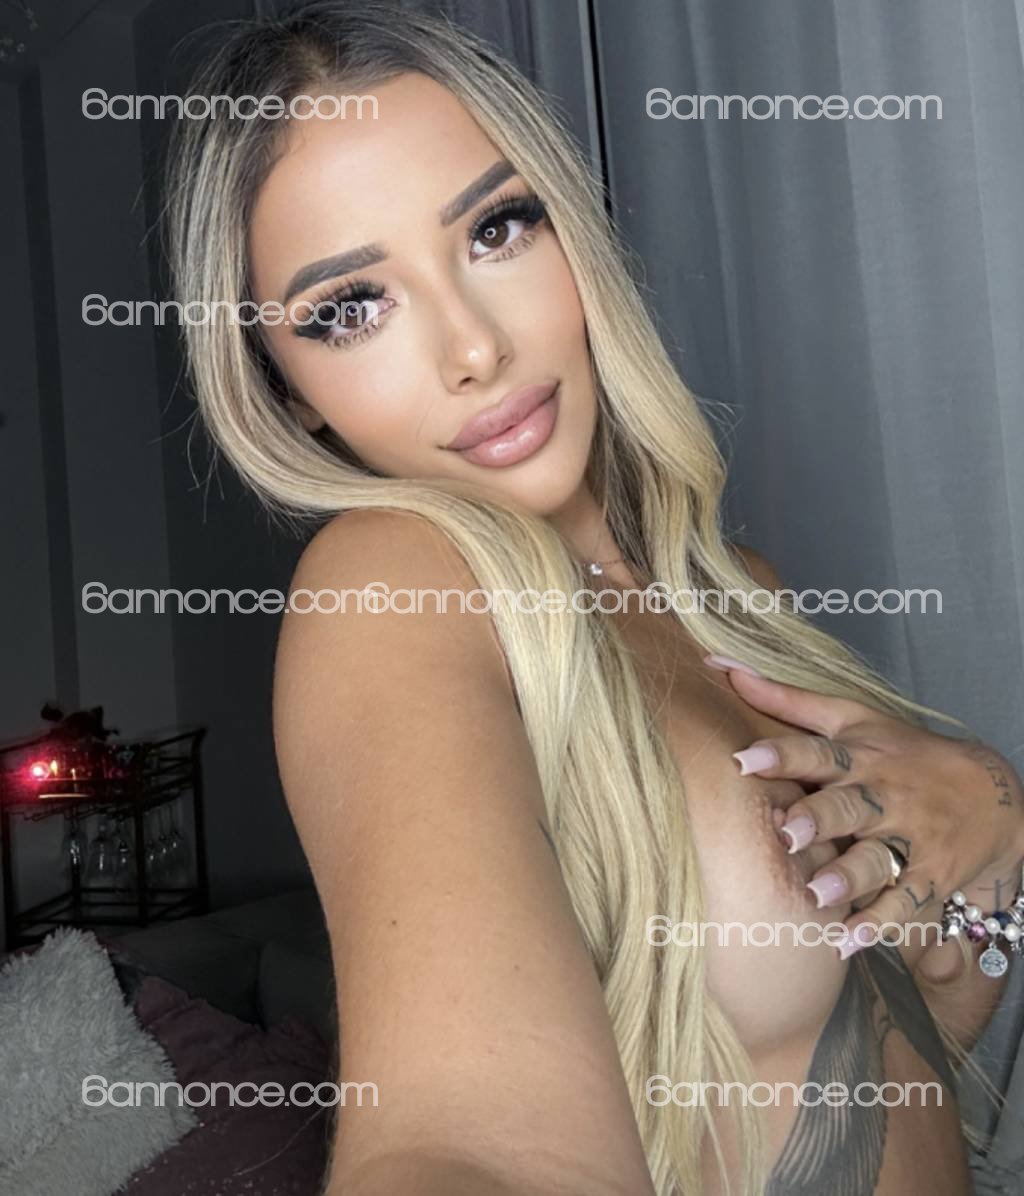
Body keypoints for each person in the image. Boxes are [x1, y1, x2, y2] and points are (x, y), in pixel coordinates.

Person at [162, 3, 1024, 1192]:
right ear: (288, 392)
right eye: (350, 307)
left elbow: (899, 1055)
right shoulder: (390, 585)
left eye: (496, 227)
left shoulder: (740, 591)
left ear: (569, 225)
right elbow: (464, 1144)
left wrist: (988, 821)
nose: (472, 347)